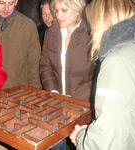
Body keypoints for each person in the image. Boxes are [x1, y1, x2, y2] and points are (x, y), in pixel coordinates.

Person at [70, 0, 135, 150]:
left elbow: (106, 140)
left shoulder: (118, 61)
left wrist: (80, 136)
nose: (91, 31)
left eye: (93, 22)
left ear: (106, 18)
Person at [39, 0, 96, 149]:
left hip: (84, 107)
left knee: (83, 144)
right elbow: (45, 67)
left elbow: (99, 74)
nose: (58, 16)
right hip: (57, 106)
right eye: (56, 11)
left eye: (64, 11)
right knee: (56, 145)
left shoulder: (93, 33)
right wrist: (53, 92)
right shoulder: (51, 32)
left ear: (77, 10)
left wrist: (75, 98)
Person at [0, 0, 42, 90]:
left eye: (10, 3)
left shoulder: (28, 26)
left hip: (17, 91)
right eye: (2, 3)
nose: (6, 8)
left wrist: (35, 91)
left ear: (16, 2)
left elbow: (34, 63)